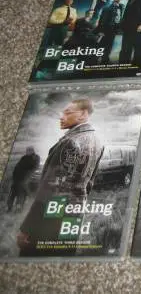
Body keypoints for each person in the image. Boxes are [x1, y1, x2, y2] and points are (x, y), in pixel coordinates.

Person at [17, 99, 104, 256]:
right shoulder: (98, 141)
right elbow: (89, 182)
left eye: (67, 112)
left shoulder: (71, 141)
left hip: (53, 215)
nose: (61, 117)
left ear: (83, 114)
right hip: (76, 211)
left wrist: (27, 228)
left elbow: (49, 188)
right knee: (62, 256)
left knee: (35, 258)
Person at [6, 147, 40, 213]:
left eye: (28, 151)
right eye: (27, 151)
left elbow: (34, 167)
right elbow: (18, 166)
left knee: (21, 193)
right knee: (13, 193)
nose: (27, 152)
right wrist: (14, 175)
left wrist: (27, 176)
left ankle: (18, 208)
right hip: (17, 178)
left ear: (32, 151)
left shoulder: (35, 158)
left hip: (24, 178)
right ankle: (9, 207)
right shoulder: (24, 157)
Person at [96, 0, 124, 64]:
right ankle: (96, 58)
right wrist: (101, 30)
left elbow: (120, 18)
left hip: (114, 29)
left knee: (109, 44)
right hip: (107, 28)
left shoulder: (121, 7)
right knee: (102, 44)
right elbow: (102, 20)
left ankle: (105, 59)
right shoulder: (107, 7)